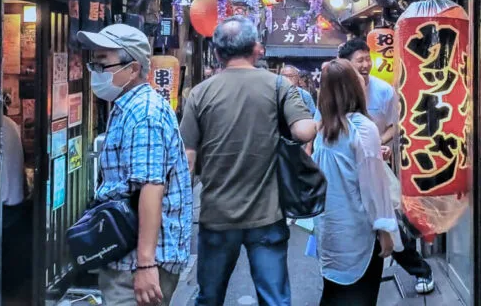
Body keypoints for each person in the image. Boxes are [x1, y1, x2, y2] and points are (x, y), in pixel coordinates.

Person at [182, 17, 317, 306]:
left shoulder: (199, 93)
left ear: (217, 53)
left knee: (209, 298)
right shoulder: (279, 85)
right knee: (275, 300)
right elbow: (304, 130)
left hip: (217, 214)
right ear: (257, 49)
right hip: (266, 215)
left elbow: (187, 161)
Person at [77, 24, 193, 306]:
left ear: (132, 69)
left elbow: (151, 188)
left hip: (136, 263)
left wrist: (145, 265)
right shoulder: (129, 107)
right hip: (125, 255)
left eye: (103, 63)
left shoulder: (144, 114)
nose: (95, 70)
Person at [337, 38, 436, 294]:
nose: (365, 64)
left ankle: (421, 271)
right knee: (353, 226)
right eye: (359, 60)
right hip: (345, 169)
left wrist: (375, 143)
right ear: (345, 64)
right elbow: (323, 128)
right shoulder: (335, 93)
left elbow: (396, 124)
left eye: (367, 59)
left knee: (390, 222)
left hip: (375, 166)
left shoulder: (383, 91)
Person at [313, 60, 402, 305]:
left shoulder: (324, 129)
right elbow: (373, 188)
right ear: (353, 87)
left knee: (333, 293)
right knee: (359, 294)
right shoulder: (362, 128)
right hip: (358, 231)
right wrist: (384, 229)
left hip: (330, 230)